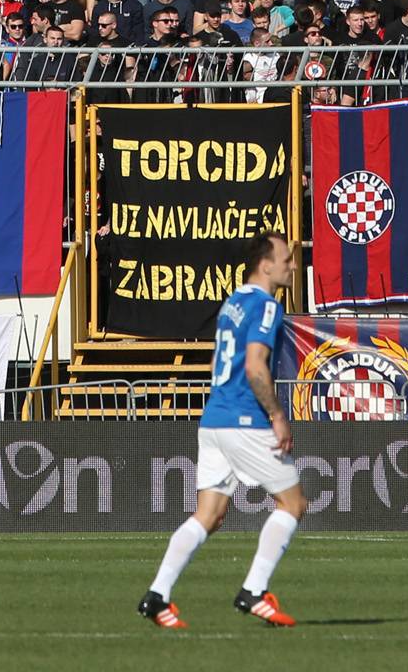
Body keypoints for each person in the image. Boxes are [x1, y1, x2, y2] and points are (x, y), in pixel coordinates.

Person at [140, 231, 303, 630]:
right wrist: (278, 416)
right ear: (265, 264)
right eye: (286, 259)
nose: (293, 265)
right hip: (244, 419)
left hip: (213, 419)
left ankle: (157, 596)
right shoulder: (266, 306)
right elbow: (254, 366)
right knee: (293, 504)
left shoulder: (233, 302)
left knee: (209, 515)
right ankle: (254, 590)